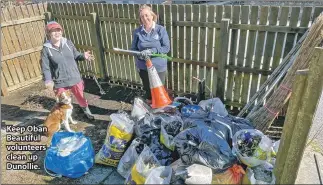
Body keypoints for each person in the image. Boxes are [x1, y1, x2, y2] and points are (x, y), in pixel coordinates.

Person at [41, 21, 95, 120]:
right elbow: (46, 67)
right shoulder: (46, 49)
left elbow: (76, 55)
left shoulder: (68, 43)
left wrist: (83, 56)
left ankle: (87, 112)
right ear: (48, 33)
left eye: (58, 30)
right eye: (53, 31)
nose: (57, 33)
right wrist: (48, 80)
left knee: (81, 97)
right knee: (62, 101)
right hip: (60, 81)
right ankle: (64, 118)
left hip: (74, 77)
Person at [131, 5, 170, 104]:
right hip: (143, 66)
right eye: (142, 17)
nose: (145, 18)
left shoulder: (160, 30)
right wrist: (140, 54)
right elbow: (133, 49)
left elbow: (166, 48)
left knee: (159, 90)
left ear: (152, 16)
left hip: (158, 66)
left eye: (147, 15)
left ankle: (161, 107)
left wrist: (152, 51)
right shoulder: (137, 32)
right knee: (148, 90)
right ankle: (150, 108)